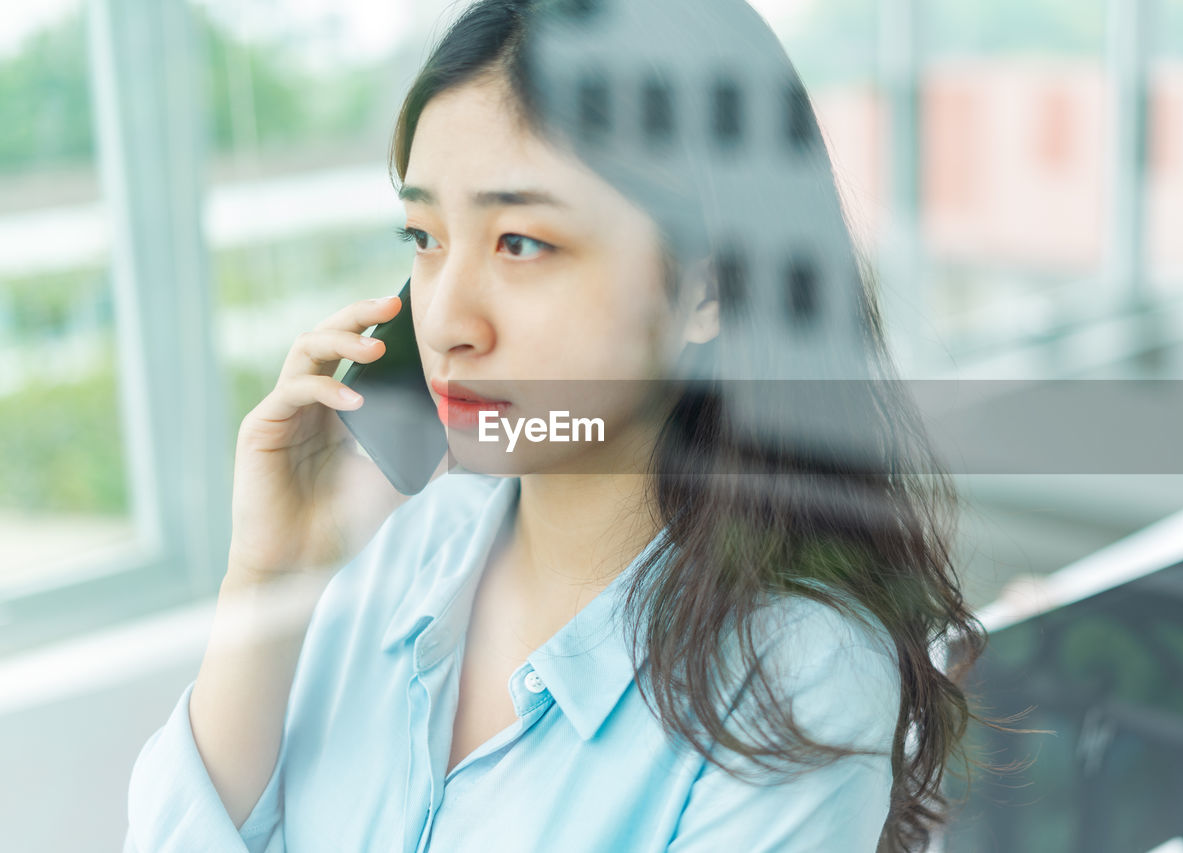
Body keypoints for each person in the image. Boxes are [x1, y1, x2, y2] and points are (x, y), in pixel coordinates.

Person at [124, 0, 987, 850]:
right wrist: (269, 574)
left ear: (708, 291)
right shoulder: (398, 557)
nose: (447, 318)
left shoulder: (796, 672)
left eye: (521, 244)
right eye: (423, 236)